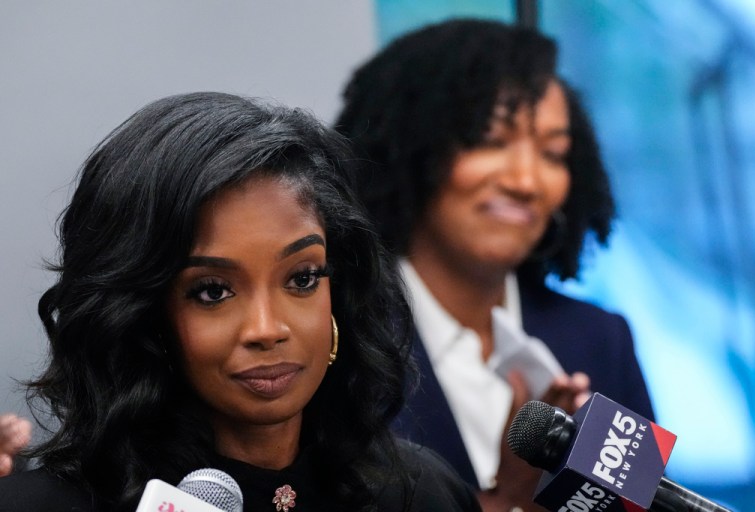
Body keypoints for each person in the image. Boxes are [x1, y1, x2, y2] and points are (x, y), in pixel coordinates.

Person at [0, 92, 481, 511]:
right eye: (213, 291)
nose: (267, 329)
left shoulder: (419, 494)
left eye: (302, 278)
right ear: (142, 314)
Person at [335, 19, 655, 511]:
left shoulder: (600, 341)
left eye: (553, 153)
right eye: (490, 140)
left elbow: (643, 505)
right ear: (409, 146)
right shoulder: (345, 341)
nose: (527, 181)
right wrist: (508, 501)